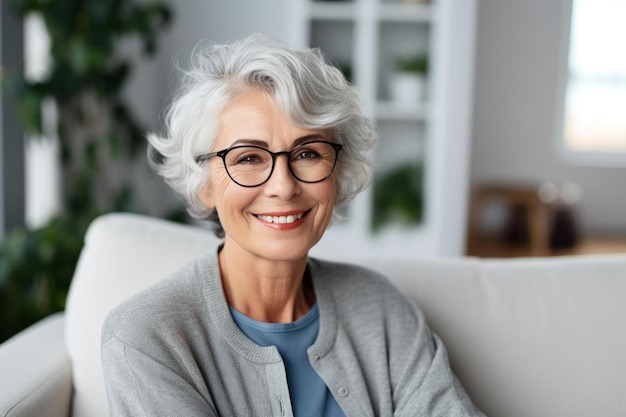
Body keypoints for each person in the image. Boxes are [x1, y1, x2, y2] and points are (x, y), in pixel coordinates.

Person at [101, 33, 485, 417]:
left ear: (338, 172)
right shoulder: (146, 336)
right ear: (204, 185)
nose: (283, 186)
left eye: (307, 153)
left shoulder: (380, 308)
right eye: (248, 158)